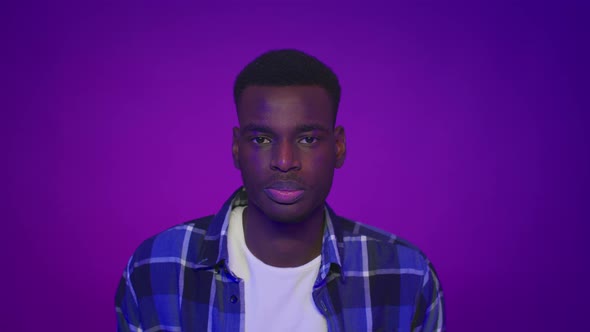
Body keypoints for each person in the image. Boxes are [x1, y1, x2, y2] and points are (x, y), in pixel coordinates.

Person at [115, 49, 445, 332]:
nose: (284, 161)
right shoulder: (156, 268)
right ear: (236, 149)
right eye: (261, 139)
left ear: (339, 147)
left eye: (307, 139)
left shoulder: (406, 276)